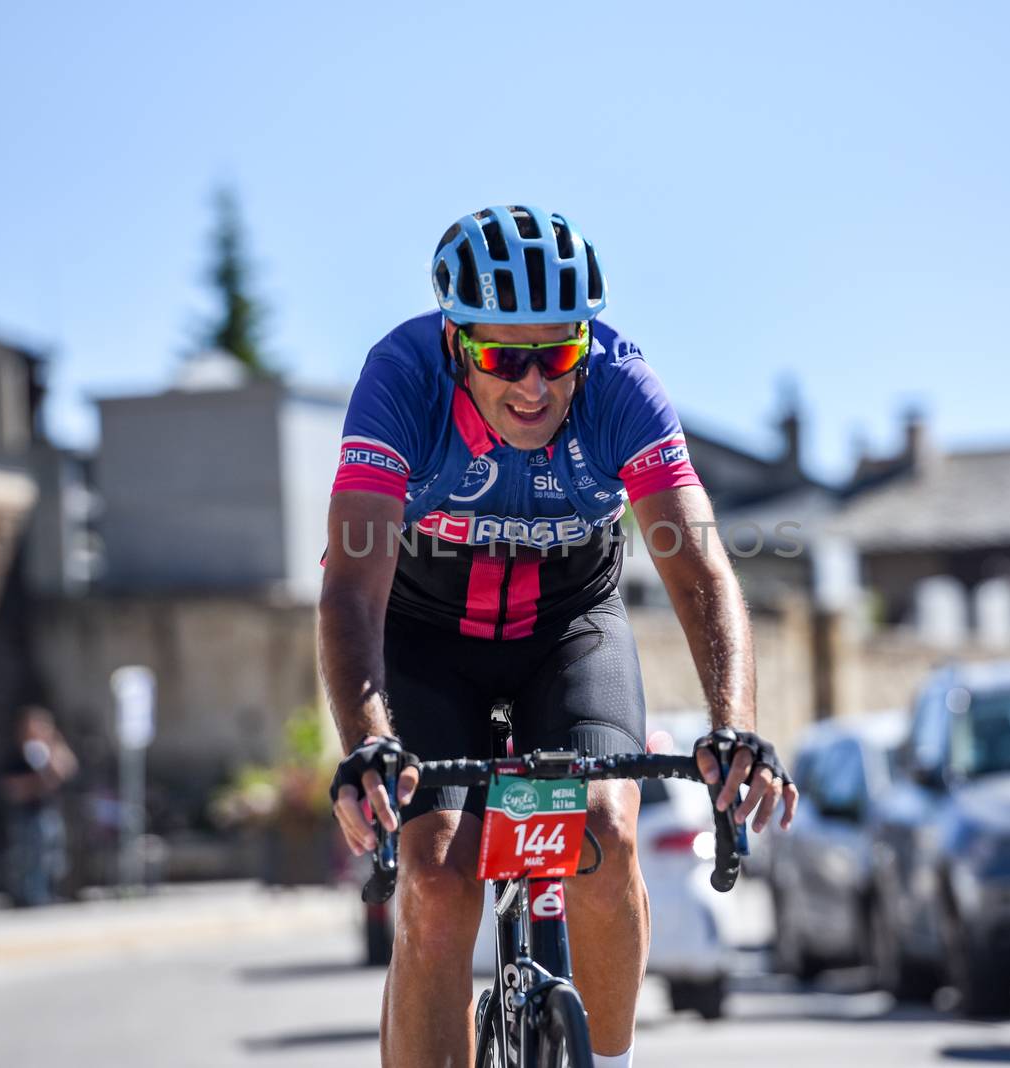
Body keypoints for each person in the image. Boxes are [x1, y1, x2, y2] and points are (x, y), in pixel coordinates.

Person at [321, 205, 797, 1067]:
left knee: (607, 839)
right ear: (459, 344)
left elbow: (701, 572)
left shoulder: (621, 385)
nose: (535, 385)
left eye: (559, 354)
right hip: (427, 635)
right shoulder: (401, 378)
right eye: (506, 357)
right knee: (435, 880)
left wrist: (735, 724)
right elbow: (352, 588)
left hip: (568, 629)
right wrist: (369, 746)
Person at [0, 705, 78, 906]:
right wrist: (39, 784)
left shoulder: (47, 751)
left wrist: (54, 742)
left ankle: (49, 893)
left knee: (53, 857)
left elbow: (67, 770)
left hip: (49, 812)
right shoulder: (17, 755)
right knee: (28, 857)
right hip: (26, 814)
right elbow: (13, 788)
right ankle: (31, 897)